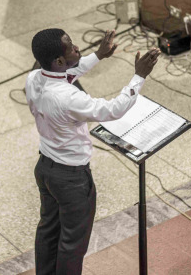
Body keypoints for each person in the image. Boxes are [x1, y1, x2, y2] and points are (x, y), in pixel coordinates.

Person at [25, 28, 160, 275]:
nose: (77, 48)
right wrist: (138, 76)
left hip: (45, 168)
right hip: (71, 179)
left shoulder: (34, 77)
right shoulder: (69, 98)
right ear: (58, 61)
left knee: (48, 231)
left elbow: (68, 73)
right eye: (71, 47)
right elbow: (112, 110)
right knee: (72, 244)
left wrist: (98, 55)